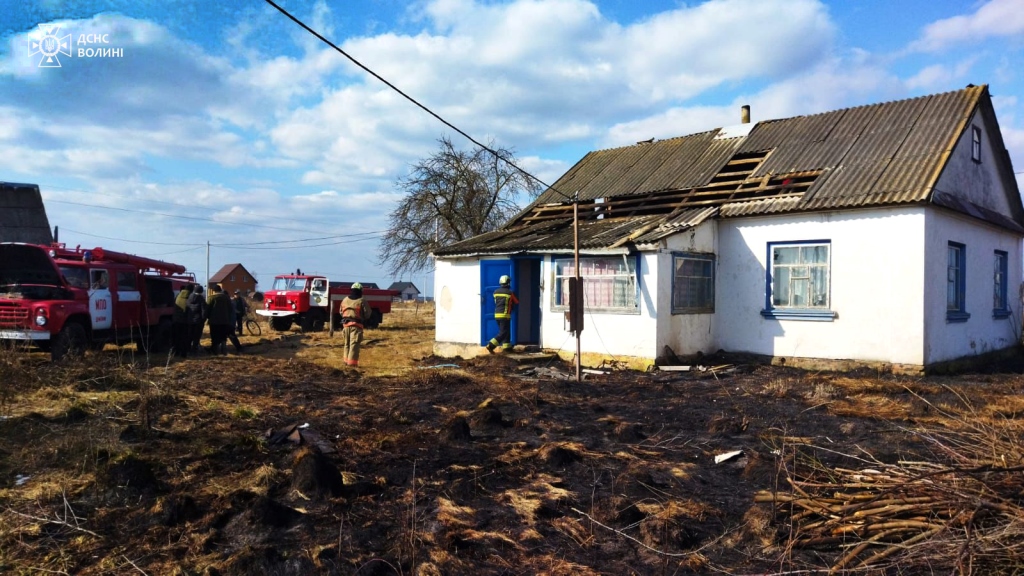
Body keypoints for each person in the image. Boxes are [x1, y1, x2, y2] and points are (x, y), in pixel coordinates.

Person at [339, 282, 372, 367]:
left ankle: (345, 362)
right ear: (360, 291)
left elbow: (341, 311)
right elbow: (367, 314)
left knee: (346, 344)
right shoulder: (362, 301)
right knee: (354, 345)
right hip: (356, 326)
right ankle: (352, 365)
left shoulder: (345, 299)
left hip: (345, 326)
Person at [486, 275, 518, 354]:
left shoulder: (495, 292)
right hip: (505, 315)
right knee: (503, 333)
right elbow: (516, 301)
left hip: (497, 314)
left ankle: (507, 348)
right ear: (508, 283)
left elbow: (497, 302)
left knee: (506, 331)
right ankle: (491, 345)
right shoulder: (510, 293)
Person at [206, 283, 233, 355]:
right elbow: (230, 308)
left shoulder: (211, 298)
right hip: (225, 320)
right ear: (220, 290)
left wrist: (207, 317)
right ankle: (224, 349)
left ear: (214, 291)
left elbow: (207, 309)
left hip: (214, 321)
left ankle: (215, 351)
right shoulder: (227, 298)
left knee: (214, 336)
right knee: (223, 336)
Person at [171, 283, 193, 358]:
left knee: (176, 337)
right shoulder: (190, 296)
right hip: (185, 321)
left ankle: (176, 352)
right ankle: (183, 353)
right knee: (185, 337)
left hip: (176, 319)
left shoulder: (178, 295)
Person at [186, 285, 208, 354]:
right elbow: (204, 311)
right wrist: (203, 320)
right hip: (198, 321)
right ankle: (194, 350)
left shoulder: (189, 297)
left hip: (190, 320)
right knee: (196, 336)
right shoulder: (201, 299)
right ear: (201, 291)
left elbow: (187, 308)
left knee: (189, 335)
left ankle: (188, 349)